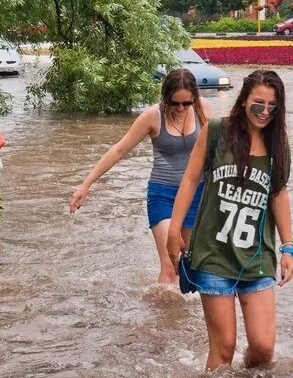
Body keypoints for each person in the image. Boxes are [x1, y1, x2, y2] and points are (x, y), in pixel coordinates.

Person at [167, 69, 293, 370]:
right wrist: (175, 230)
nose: (264, 112)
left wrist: (288, 246)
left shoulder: (278, 144)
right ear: (243, 100)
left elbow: (278, 193)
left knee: (263, 348)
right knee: (224, 348)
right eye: (258, 104)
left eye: (272, 107)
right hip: (213, 254)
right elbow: (189, 179)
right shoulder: (216, 131)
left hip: (257, 255)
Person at [69, 69, 209, 285]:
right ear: (165, 98)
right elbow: (119, 150)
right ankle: (164, 316)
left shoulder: (203, 111)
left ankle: (182, 315)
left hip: (196, 195)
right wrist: (86, 184)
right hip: (162, 194)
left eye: (187, 103)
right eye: (175, 103)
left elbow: (225, 145)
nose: (181, 109)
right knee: (170, 265)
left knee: (188, 263)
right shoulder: (152, 116)